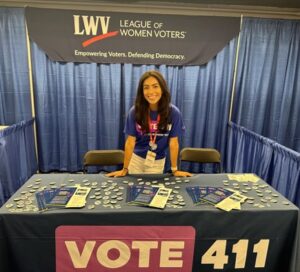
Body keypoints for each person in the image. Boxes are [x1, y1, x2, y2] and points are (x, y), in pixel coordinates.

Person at [107, 70, 192, 177]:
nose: (151, 92)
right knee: (134, 190)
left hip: (157, 162)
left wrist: (174, 170)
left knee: (150, 192)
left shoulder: (173, 113)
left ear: (162, 88)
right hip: (136, 160)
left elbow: (173, 143)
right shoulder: (135, 111)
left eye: (155, 86)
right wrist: (125, 169)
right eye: (146, 87)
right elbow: (130, 142)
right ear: (141, 91)